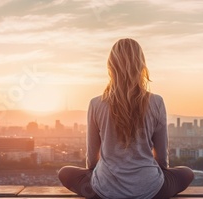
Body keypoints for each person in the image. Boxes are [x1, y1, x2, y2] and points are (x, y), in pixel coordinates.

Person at [58, 38, 194, 199]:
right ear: (141, 66)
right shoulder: (156, 102)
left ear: (111, 66)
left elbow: (92, 160)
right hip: (151, 189)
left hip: (104, 190)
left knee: (64, 172)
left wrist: (103, 175)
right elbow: (162, 158)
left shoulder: (96, 104)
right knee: (187, 173)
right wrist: (153, 175)